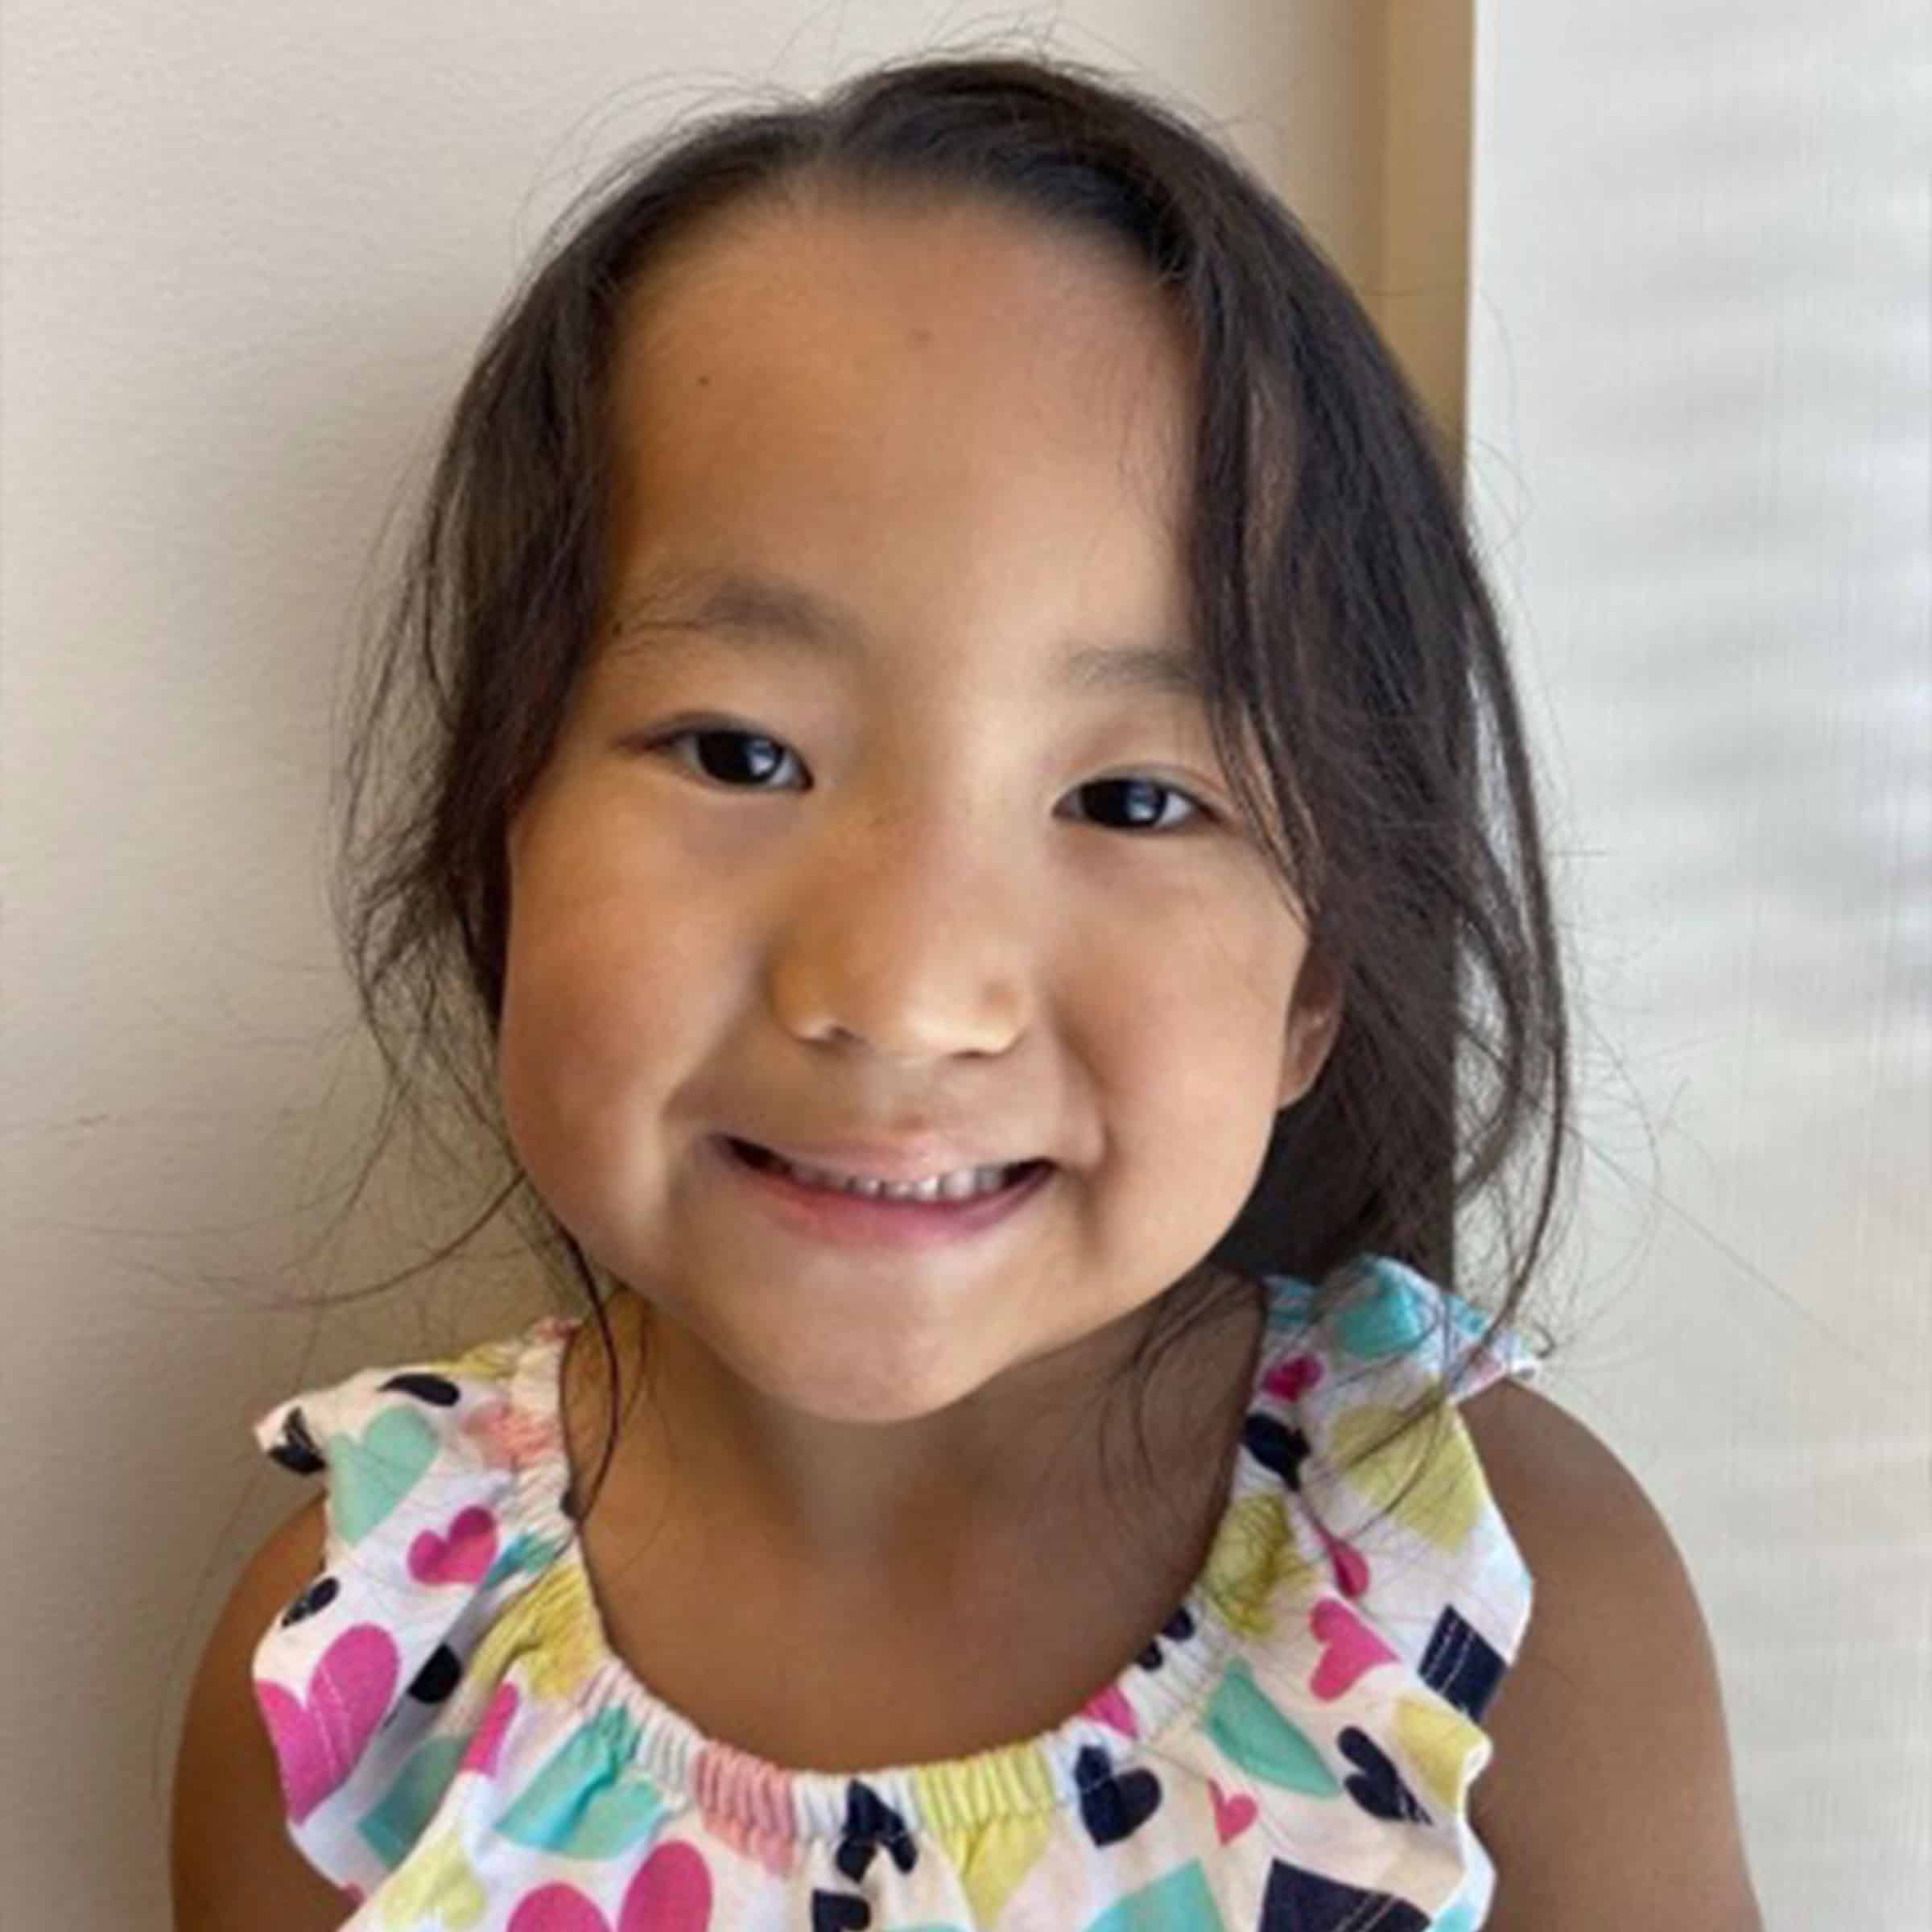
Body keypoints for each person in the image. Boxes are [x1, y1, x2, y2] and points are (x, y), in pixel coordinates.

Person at [170, 50, 1761, 1932]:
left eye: (1135, 797)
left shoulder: (1498, 1614)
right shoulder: (355, 1682)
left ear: (1316, 980)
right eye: (741, 755)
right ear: (499, 827)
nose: (906, 996)